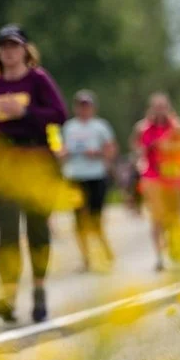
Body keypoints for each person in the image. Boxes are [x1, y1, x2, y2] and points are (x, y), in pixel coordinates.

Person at [0, 25, 68, 324]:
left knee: (38, 229)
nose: (9, 51)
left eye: (14, 46)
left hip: (37, 159)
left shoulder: (38, 80)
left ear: (25, 49)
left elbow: (59, 114)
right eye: (4, 46)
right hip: (6, 162)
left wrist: (26, 113)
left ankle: (38, 291)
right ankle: (9, 293)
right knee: (8, 232)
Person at [131, 93, 180, 272]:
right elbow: (137, 149)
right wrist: (148, 148)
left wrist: (170, 147)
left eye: (163, 106)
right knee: (156, 219)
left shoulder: (178, 127)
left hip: (174, 177)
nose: (160, 110)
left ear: (168, 108)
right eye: (156, 106)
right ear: (151, 108)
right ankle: (159, 257)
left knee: (176, 216)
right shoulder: (143, 128)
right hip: (152, 177)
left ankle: (176, 246)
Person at [59, 90, 117, 272]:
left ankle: (105, 252)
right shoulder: (69, 127)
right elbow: (60, 151)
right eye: (80, 106)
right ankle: (86, 259)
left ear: (93, 107)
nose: (84, 109)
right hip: (75, 176)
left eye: (87, 106)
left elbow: (111, 150)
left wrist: (98, 153)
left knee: (96, 219)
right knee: (78, 221)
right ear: (75, 107)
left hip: (96, 175)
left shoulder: (100, 126)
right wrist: (63, 154)